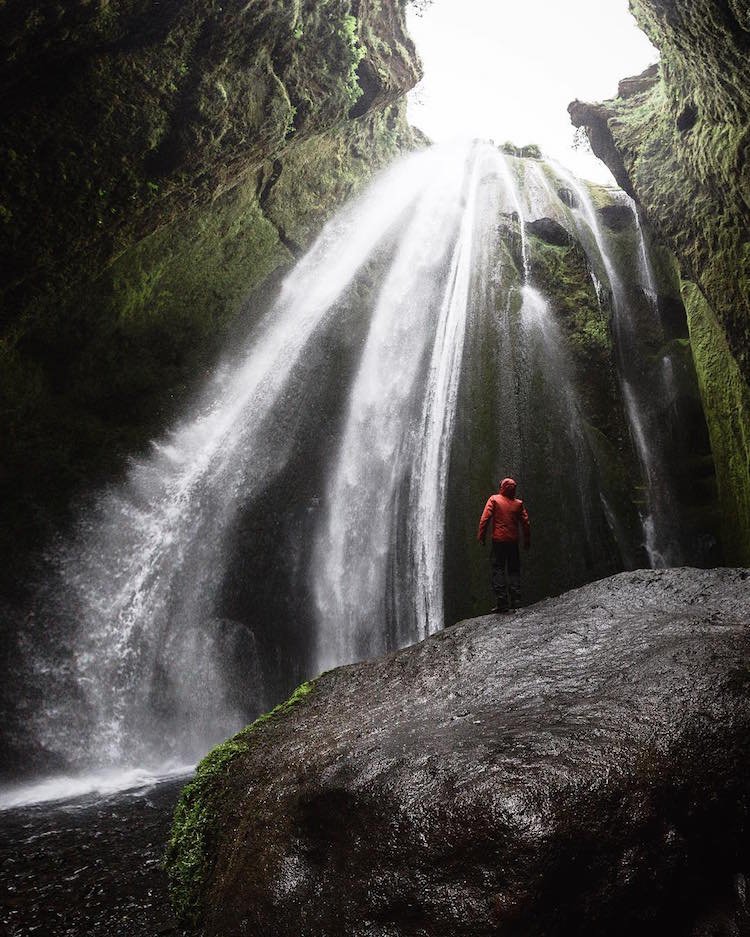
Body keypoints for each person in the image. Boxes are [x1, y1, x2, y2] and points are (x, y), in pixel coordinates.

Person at [477, 477, 531, 613]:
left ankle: (502, 602)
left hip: (499, 541)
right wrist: (527, 540)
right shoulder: (518, 504)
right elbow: (526, 523)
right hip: (513, 542)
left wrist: (481, 536)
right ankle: (516, 600)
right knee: (514, 569)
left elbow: (485, 518)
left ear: (501, 487)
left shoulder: (494, 499)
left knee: (498, 569)